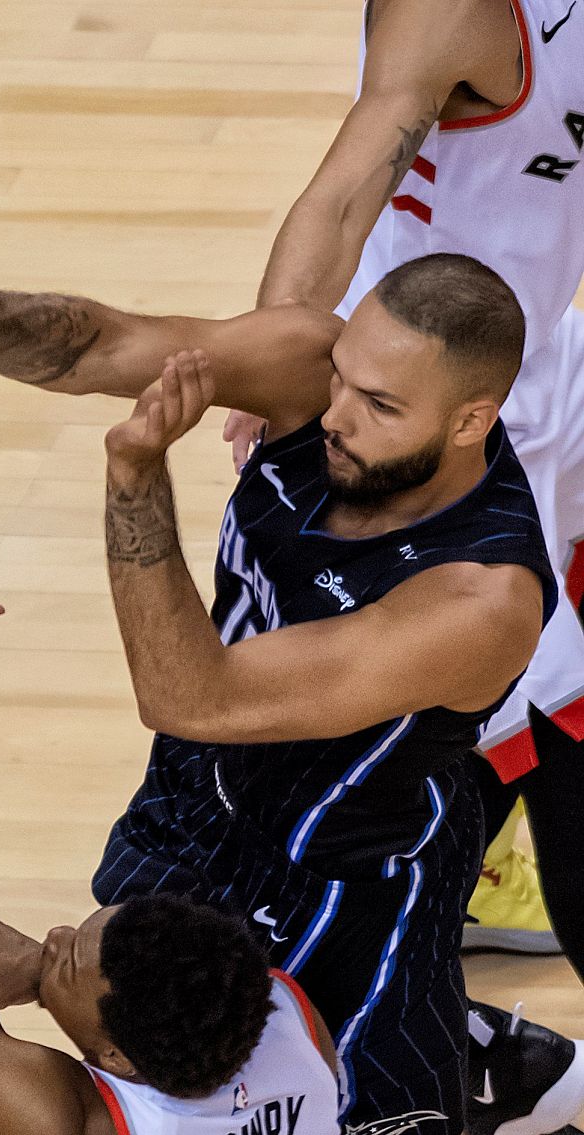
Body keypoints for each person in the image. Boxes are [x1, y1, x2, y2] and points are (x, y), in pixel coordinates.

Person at [0, 252, 571, 1135]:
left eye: (379, 406)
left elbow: (188, 692)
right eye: (344, 380)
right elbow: (105, 345)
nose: (335, 417)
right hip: (201, 798)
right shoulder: (310, 368)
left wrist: (136, 478)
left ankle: (476, 1060)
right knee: (158, 1057)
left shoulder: (482, 596)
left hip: (345, 882)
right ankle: (477, 1050)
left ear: (471, 421)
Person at [238, 0, 584, 969]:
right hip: (425, 421)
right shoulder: (456, 11)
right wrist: (280, 360)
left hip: (541, 360)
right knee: (485, 710)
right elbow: (344, 193)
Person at [0, 553, 341, 1135]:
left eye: (69, 953)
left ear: (119, 1060)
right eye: (73, 937)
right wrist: (51, 976)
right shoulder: (288, 1021)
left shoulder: (70, 1123)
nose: (53, 935)